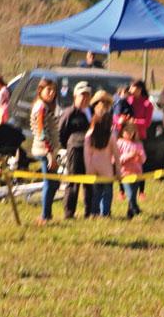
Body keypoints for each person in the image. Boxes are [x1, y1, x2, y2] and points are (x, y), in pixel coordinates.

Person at [59, 82, 94, 218]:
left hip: (90, 151)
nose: (85, 98)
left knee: (89, 182)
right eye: (82, 95)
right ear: (75, 96)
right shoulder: (69, 113)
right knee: (73, 182)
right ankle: (69, 212)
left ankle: (90, 212)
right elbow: (61, 132)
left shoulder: (92, 111)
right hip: (75, 150)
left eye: (87, 95)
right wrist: (68, 146)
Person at [30, 78, 62, 222]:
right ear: (40, 90)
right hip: (44, 150)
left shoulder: (46, 106)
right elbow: (41, 132)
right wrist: (50, 155)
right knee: (49, 183)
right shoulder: (41, 107)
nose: (51, 93)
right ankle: (44, 216)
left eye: (54, 90)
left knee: (54, 183)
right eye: (48, 90)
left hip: (50, 150)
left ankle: (47, 214)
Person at [83, 108, 118, 217]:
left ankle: (94, 212)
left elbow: (87, 155)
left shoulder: (89, 135)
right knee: (107, 192)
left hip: (93, 167)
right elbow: (117, 155)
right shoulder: (111, 135)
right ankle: (105, 213)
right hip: (107, 168)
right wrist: (119, 171)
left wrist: (88, 170)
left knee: (96, 192)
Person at [116, 120, 146, 218]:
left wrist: (139, 156)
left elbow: (144, 159)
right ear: (122, 132)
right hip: (125, 174)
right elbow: (116, 159)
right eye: (127, 132)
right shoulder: (119, 143)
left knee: (133, 194)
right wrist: (129, 156)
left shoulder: (138, 144)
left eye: (131, 132)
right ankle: (136, 209)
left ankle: (130, 213)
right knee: (130, 194)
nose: (129, 134)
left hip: (137, 173)